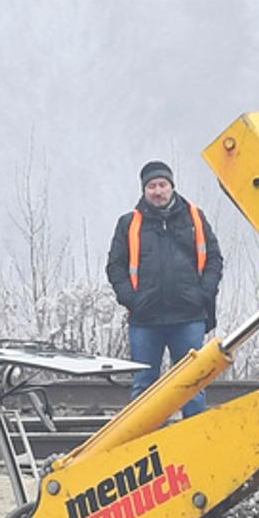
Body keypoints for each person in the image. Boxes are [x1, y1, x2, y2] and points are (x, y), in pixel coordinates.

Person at [106, 161, 224, 409]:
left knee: (192, 386)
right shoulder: (129, 223)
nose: (157, 191)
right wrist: (132, 300)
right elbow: (115, 266)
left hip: (188, 317)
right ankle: (144, 435)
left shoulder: (195, 217)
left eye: (162, 185)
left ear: (172, 186)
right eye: (152, 186)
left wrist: (203, 295)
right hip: (145, 320)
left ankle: (194, 435)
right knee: (144, 387)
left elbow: (214, 258)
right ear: (144, 190)